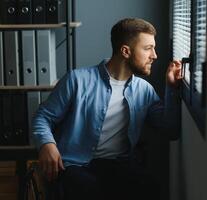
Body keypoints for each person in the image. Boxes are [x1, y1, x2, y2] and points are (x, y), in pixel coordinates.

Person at [32, 18, 182, 200]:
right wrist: (47, 144)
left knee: (150, 187)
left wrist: (171, 88)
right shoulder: (77, 80)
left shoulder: (144, 90)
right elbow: (43, 117)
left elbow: (170, 130)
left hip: (119, 165)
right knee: (88, 190)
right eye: (147, 48)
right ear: (125, 51)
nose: (154, 55)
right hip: (75, 165)